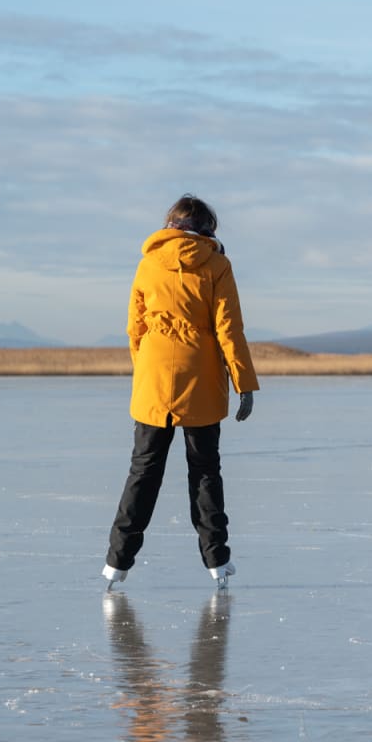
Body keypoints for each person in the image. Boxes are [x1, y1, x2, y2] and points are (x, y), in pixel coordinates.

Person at [102, 194, 259, 590]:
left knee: (143, 469)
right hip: (201, 377)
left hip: (154, 377)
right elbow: (229, 330)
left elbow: (135, 328)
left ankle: (116, 562)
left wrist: (147, 371)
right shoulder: (218, 265)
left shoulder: (148, 263)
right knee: (205, 469)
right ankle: (217, 560)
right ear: (208, 228)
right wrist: (244, 383)